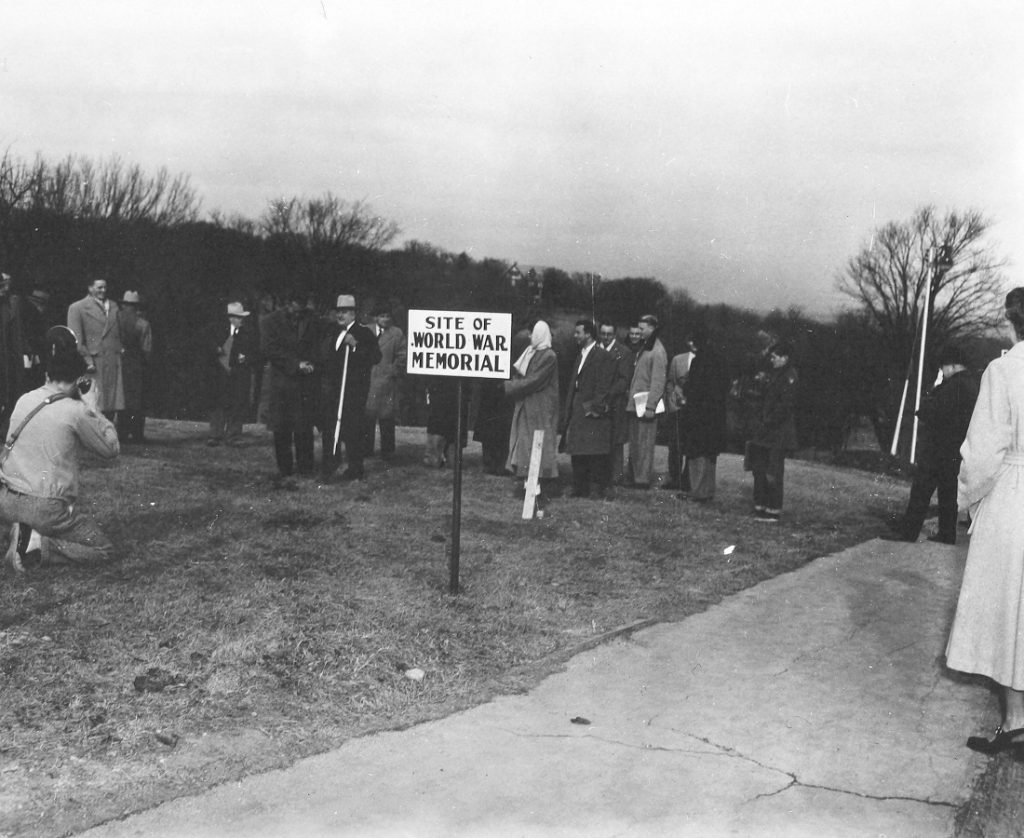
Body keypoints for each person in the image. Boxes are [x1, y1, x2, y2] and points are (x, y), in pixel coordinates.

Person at [945, 288, 1024, 757]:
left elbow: (982, 453)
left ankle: (1017, 719)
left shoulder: (1006, 370)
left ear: (1014, 323)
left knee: (1009, 607)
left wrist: (968, 502)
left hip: (1015, 496)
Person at [2, 325, 120, 572]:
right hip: (45, 508)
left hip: (7, 500)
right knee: (103, 549)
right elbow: (111, 448)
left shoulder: (25, 399)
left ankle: (17, 531)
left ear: (48, 373)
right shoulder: (76, 411)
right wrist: (93, 407)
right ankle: (35, 544)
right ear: (79, 380)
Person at [881, 344, 979, 544]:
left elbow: (930, 411)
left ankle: (908, 532)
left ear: (951, 366)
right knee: (948, 492)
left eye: (943, 367)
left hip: (938, 448)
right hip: (956, 448)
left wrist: (933, 391)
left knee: (921, 491)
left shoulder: (953, 386)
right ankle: (946, 533)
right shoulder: (971, 385)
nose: (942, 371)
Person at [319, 294, 380, 481]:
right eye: (338, 311)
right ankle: (330, 466)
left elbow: (375, 357)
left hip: (354, 391)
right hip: (334, 389)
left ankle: (355, 468)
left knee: (352, 430)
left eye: (344, 312)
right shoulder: (332, 331)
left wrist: (355, 346)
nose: (340, 315)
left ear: (353, 313)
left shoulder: (364, 333)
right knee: (330, 429)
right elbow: (327, 356)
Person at [260, 292, 320, 481]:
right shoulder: (270, 321)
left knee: (304, 426)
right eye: (296, 303)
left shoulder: (312, 319)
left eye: (303, 303)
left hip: (305, 383)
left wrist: (312, 362)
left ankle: (305, 467)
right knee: (282, 428)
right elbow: (270, 349)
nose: (299, 308)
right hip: (282, 382)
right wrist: (296, 365)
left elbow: (319, 343)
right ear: (287, 303)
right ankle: (284, 468)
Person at [505, 320, 560, 504]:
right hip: (528, 405)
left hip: (540, 409)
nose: (530, 337)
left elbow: (534, 380)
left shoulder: (549, 356)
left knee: (537, 446)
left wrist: (510, 386)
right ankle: (529, 484)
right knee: (526, 446)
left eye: (533, 333)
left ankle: (535, 489)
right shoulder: (531, 352)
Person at [559, 319, 614, 498]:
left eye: (578, 332)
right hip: (577, 409)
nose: (575, 336)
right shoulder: (580, 355)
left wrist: (594, 408)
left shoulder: (602, 356)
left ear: (588, 334)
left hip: (591, 411)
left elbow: (603, 385)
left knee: (594, 453)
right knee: (578, 450)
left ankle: (594, 489)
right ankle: (579, 488)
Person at [746, 340, 798, 522]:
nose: (772, 360)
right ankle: (760, 504)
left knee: (773, 472)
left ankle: (773, 509)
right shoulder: (774, 374)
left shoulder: (789, 376)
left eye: (776, 357)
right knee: (760, 469)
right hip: (765, 431)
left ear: (785, 358)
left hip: (778, 433)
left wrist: (767, 421)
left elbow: (784, 406)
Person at [680, 329, 731, 503]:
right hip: (715, 417)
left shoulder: (698, 362)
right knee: (710, 455)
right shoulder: (721, 360)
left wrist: (685, 390)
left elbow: (693, 388)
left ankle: (697, 491)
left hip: (699, 415)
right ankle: (707, 490)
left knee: (696, 455)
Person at [66, 277, 124, 423]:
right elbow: (77, 339)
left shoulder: (114, 306)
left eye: (105, 287)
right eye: (99, 287)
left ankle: (107, 435)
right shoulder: (78, 307)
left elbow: (118, 334)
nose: (103, 291)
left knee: (111, 404)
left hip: (112, 360)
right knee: (94, 402)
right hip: (93, 363)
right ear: (90, 288)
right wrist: (88, 361)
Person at [207, 301, 258, 447]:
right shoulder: (218, 331)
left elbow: (257, 353)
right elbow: (206, 346)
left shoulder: (248, 333)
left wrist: (246, 358)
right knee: (218, 403)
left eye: (241, 318)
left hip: (240, 374)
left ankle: (234, 435)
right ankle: (215, 435)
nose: (240, 320)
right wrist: (216, 349)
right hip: (220, 373)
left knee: (238, 403)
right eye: (237, 317)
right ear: (230, 318)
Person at [625, 314, 667, 489]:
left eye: (642, 329)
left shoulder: (657, 351)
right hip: (636, 404)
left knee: (645, 443)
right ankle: (634, 476)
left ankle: (641, 480)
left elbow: (658, 381)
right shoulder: (646, 347)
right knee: (636, 443)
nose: (639, 332)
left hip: (645, 406)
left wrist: (651, 406)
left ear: (652, 328)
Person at [363, 305, 406, 461]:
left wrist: (393, 371)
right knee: (367, 416)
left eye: (388, 316)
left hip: (387, 381)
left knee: (387, 417)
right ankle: (366, 449)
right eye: (382, 316)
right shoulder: (366, 330)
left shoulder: (397, 333)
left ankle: (388, 451)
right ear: (375, 317)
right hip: (368, 378)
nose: (385, 319)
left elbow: (403, 355)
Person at [598, 320, 634, 485]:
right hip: (597, 401)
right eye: (603, 333)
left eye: (609, 334)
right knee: (599, 439)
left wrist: (608, 393)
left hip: (615, 402)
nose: (605, 337)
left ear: (615, 334)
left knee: (616, 441)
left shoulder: (624, 352)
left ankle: (616, 476)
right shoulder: (595, 349)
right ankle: (601, 474)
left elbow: (624, 379)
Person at [116, 291, 153, 443]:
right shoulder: (142, 324)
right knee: (137, 399)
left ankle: (121, 432)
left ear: (123, 305)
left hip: (118, 362)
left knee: (121, 398)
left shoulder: (114, 321)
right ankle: (137, 433)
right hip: (136, 364)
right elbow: (147, 348)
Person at [0, 270, 29, 437]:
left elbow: (19, 330)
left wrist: (26, 350)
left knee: (11, 392)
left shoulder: (12, 303)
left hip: (10, 356)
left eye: (7, 285)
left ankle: (5, 430)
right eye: (2, 285)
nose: (6, 288)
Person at [662, 348, 693, 492]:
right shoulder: (677, 359)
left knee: (691, 445)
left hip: (694, 408)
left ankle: (688, 478)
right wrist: (672, 400)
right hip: (677, 407)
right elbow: (670, 382)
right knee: (675, 445)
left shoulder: (705, 362)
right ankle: (675, 478)